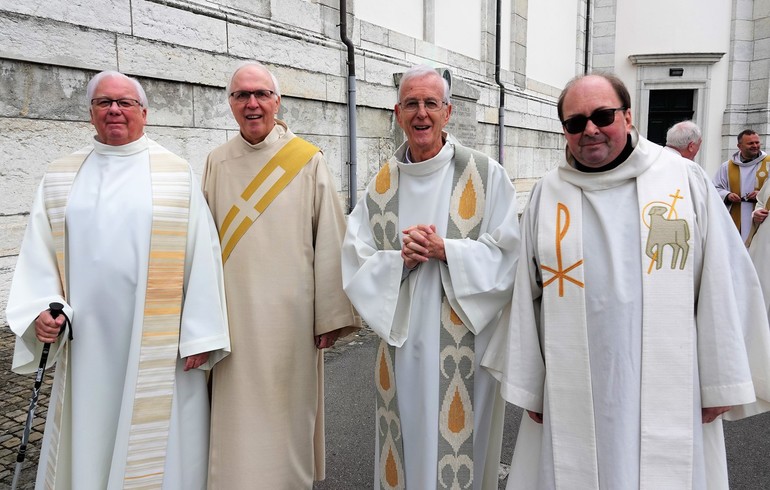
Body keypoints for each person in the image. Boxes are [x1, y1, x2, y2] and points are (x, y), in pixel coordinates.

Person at [482, 73, 770, 490]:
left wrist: (719, 378)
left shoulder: (682, 179)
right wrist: (530, 383)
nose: (590, 130)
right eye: (575, 122)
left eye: (602, 116)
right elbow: (526, 294)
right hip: (571, 384)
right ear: (564, 130)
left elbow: (722, 278)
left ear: (628, 116)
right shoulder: (549, 193)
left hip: (672, 381)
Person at [5, 70, 230, 489]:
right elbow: (39, 252)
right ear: (90, 113)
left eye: (125, 102)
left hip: (159, 341)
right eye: (103, 102)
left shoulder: (174, 173)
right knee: (90, 430)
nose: (114, 110)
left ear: (144, 112)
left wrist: (200, 333)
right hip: (87, 340)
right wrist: (41, 309)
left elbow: (203, 254)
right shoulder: (61, 176)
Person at [342, 64, 521, 490]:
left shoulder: (485, 174)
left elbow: (510, 253)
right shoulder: (381, 185)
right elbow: (354, 257)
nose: (421, 113)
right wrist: (399, 262)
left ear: (447, 111)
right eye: (411, 104)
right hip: (402, 346)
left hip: (466, 346)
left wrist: (447, 251)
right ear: (398, 113)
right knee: (406, 437)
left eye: (430, 103)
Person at [203, 62, 359, 489]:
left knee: (288, 414)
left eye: (261, 94)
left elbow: (331, 238)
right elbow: (201, 246)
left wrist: (330, 316)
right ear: (231, 104)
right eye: (241, 95)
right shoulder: (217, 162)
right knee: (235, 418)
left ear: (277, 101)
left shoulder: (306, 160)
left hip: (291, 321)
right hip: (233, 318)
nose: (252, 104)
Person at [713, 129, 770, 243]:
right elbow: (715, 188)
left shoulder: (768, 163)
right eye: (750, 143)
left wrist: (762, 195)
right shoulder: (727, 166)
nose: (755, 146)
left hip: (761, 216)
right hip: (735, 214)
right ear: (739, 146)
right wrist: (727, 195)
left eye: (757, 142)